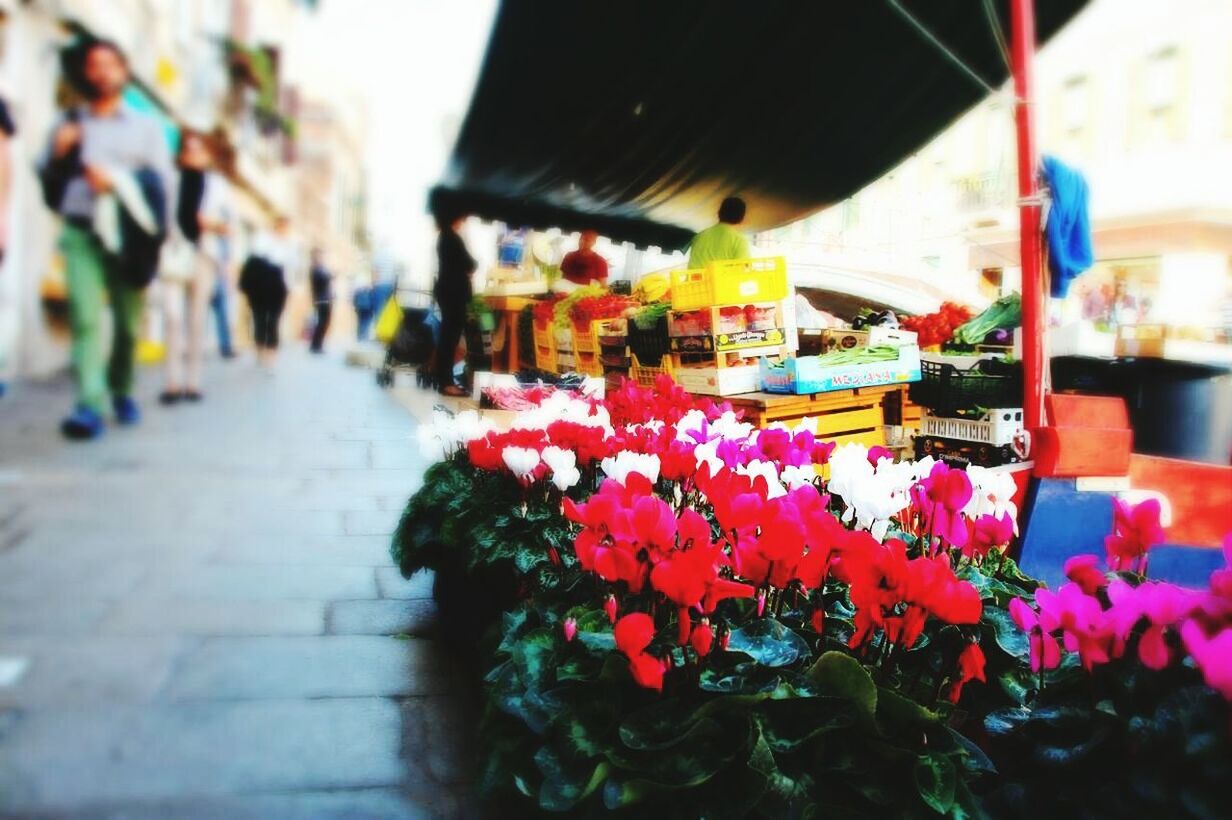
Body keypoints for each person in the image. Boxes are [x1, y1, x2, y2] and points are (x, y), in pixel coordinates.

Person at [38, 39, 173, 439]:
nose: (101, 72)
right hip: (81, 229)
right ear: (86, 72)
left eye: (110, 65)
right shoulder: (68, 123)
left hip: (128, 235)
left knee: (128, 324)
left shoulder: (146, 128)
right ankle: (89, 404)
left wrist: (115, 181)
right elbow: (48, 182)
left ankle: (122, 388)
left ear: (124, 72)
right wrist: (60, 153)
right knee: (85, 316)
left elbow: (162, 183)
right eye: (94, 65)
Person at [159, 131, 230, 404]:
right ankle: (172, 382)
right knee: (173, 315)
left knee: (197, 319)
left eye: (199, 149)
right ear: (181, 154)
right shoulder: (171, 182)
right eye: (188, 149)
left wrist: (210, 224)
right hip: (175, 253)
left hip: (204, 255)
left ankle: (193, 381)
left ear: (208, 154)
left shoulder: (218, 186)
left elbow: (228, 227)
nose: (193, 154)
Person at [240, 216, 295, 371]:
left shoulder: (289, 245)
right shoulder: (263, 239)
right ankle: (259, 349)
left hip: (278, 285)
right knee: (259, 317)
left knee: (273, 320)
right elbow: (255, 258)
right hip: (261, 282)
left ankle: (270, 354)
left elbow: (290, 268)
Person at [433, 207, 475, 397]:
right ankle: (446, 382)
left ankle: (443, 379)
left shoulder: (444, 237)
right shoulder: (452, 238)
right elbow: (470, 263)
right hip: (454, 294)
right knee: (450, 339)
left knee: (447, 338)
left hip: (446, 292)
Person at [687, 196, 750, 269]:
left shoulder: (699, 236)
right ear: (742, 218)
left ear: (719, 213)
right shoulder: (739, 240)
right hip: (721, 280)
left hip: (694, 280)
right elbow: (742, 270)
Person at [308, 248, 333, 353]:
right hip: (322, 299)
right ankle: (316, 345)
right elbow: (324, 280)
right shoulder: (316, 269)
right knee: (322, 323)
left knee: (324, 323)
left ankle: (317, 345)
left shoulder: (320, 269)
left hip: (324, 298)